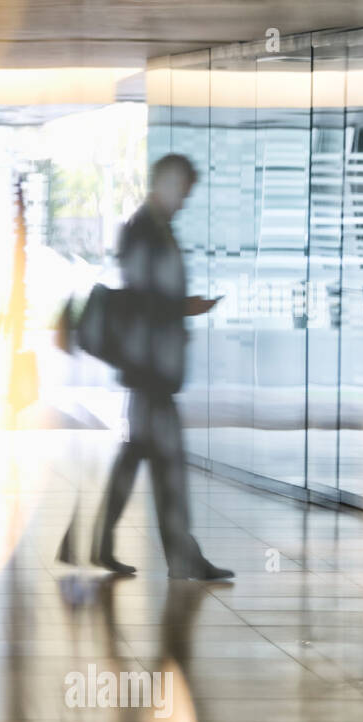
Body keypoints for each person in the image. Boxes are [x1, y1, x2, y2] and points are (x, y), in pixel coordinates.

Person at [89, 153, 232, 581]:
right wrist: (185, 307)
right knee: (165, 463)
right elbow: (145, 297)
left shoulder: (155, 227)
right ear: (167, 183)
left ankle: (106, 543)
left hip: (152, 368)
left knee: (138, 457)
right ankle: (180, 555)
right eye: (184, 190)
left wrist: (180, 308)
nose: (186, 200)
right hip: (150, 369)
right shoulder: (144, 229)